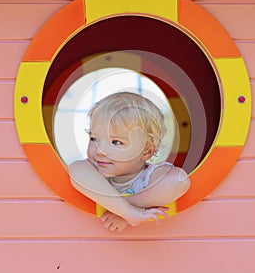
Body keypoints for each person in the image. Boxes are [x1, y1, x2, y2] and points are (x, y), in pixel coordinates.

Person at [69, 92, 190, 232]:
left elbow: (179, 181)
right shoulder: (93, 171)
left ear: (147, 151)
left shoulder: (149, 176)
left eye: (116, 142)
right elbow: (76, 170)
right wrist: (126, 211)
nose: (100, 151)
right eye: (94, 139)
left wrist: (127, 210)